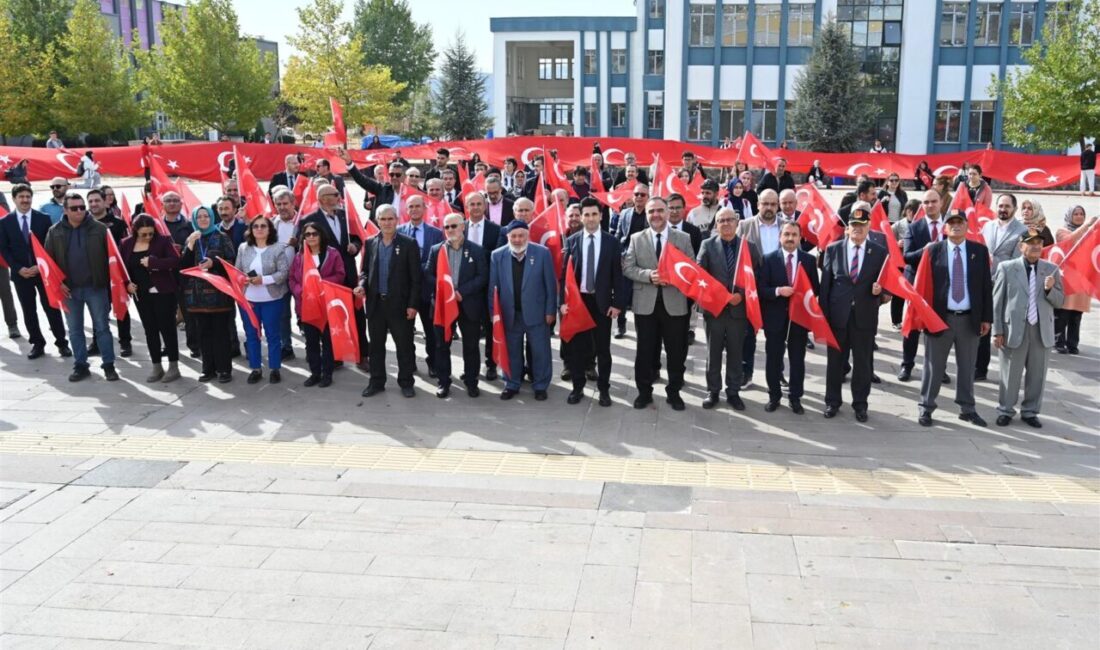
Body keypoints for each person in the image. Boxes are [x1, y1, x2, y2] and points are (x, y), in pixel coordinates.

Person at [916, 209, 994, 428]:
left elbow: (986, 287)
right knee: (934, 367)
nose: (956, 226)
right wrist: (924, 318)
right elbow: (922, 286)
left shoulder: (979, 251)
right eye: (952, 222)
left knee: (967, 366)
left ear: (967, 226)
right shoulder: (933, 252)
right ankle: (926, 406)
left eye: (960, 222)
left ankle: (967, 408)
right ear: (945, 227)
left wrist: (986, 317)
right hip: (940, 319)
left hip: (969, 319)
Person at [623, 197, 694, 411]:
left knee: (676, 352)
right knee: (644, 351)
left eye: (660, 210)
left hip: (675, 304)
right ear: (646, 214)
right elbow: (628, 267)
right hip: (646, 305)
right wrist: (648, 275)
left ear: (668, 212)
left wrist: (672, 275)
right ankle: (644, 392)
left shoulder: (682, 238)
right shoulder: (636, 238)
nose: (656, 215)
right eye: (651, 211)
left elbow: (691, 267)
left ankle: (674, 393)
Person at [819, 210, 889, 422]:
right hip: (838, 316)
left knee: (862, 363)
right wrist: (824, 317)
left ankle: (860, 404)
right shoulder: (833, 249)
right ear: (847, 227)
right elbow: (826, 286)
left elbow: (887, 284)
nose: (857, 228)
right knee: (834, 362)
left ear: (868, 227)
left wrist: (881, 291)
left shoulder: (879, 252)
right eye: (854, 224)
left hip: (864, 316)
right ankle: (832, 401)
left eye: (862, 224)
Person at [993, 232, 1064, 428]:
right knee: (1010, 374)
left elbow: (1060, 301)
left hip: (1041, 331)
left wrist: (1051, 289)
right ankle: (1005, 409)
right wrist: (997, 330)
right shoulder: (1007, 268)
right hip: (1014, 329)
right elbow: (997, 302)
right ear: (1020, 246)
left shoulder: (1051, 269)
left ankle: (1030, 411)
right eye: (1030, 243)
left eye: (1039, 243)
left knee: (1037, 375)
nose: (1035, 246)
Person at [44, 193, 117, 382]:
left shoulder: (100, 229)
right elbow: (48, 261)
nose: (80, 211)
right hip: (69, 291)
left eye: (82, 207)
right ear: (65, 210)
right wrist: (58, 283)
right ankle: (81, 365)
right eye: (74, 208)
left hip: (95, 288)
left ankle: (109, 365)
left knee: (102, 328)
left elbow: (112, 259)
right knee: (75, 330)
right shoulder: (55, 231)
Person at [561, 197, 625, 407]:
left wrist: (617, 304)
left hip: (602, 304)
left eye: (593, 214)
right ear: (581, 216)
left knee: (603, 350)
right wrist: (563, 301)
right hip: (579, 304)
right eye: (586, 214)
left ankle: (604, 390)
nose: (589, 218)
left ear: (601, 216)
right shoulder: (572, 241)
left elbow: (618, 275)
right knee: (578, 350)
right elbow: (565, 275)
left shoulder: (612, 242)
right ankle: (578, 388)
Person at [297, 183, 367, 370]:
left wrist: (355, 246)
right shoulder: (309, 220)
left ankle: (362, 355)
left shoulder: (344, 215)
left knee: (357, 313)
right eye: (335, 194)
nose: (339, 197)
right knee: (330, 318)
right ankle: (334, 356)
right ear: (322, 199)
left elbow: (357, 237)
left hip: (349, 274)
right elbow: (302, 250)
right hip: (325, 277)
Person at [488, 220, 557, 401]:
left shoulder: (542, 253)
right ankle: (511, 384)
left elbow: (550, 285)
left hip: (537, 314)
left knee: (540, 351)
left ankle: (540, 385)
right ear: (508, 237)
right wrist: (493, 314)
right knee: (511, 352)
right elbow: (493, 288)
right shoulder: (497, 255)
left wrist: (551, 310)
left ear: (528, 236)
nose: (518, 240)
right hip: (509, 314)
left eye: (521, 236)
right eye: (514, 236)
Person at [0, 184, 70, 359]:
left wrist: (41, 266)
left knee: (51, 308)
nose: (25, 200)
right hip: (21, 275)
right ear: (14, 199)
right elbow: (4, 249)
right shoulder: (5, 222)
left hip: (43, 273)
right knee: (29, 310)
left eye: (27, 196)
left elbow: (50, 246)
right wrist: (18, 268)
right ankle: (37, 344)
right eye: (21, 197)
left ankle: (62, 342)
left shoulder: (43, 219)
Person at [357, 205, 421, 398]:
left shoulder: (409, 244)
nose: (387, 223)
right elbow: (365, 271)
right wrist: (362, 285)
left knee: (404, 346)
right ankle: (376, 382)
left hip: (400, 306)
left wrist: (412, 305)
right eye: (383, 219)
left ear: (397, 220)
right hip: (376, 305)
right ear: (377, 221)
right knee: (376, 347)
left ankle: (406, 382)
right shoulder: (370, 242)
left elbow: (416, 278)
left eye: (390, 219)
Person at [696, 207, 756, 410]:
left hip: (738, 311)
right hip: (715, 310)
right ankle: (713, 391)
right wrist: (721, 296)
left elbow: (755, 276)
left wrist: (739, 294)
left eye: (730, 219)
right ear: (716, 225)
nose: (726, 224)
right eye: (721, 221)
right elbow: (699, 275)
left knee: (735, 352)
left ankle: (733, 391)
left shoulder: (748, 247)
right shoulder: (707, 245)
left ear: (737, 222)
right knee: (712, 353)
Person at [427, 213, 488, 398]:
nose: (450, 230)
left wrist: (463, 291)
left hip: (467, 305)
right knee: (442, 345)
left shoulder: (476, 250)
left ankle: (471, 382)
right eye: (447, 227)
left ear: (463, 227)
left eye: (454, 226)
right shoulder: (436, 250)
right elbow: (428, 275)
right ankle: (443, 382)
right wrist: (445, 291)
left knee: (470, 346)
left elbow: (482, 276)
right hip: (443, 306)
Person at [760, 221, 818, 414]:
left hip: (799, 319)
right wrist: (778, 291)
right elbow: (761, 289)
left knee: (797, 359)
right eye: (787, 234)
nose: (790, 238)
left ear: (800, 237)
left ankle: (795, 397)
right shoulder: (768, 259)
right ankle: (774, 396)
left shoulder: (808, 261)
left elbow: (814, 289)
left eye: (794, 234)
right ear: (780, 237)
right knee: (773, 358)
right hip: (775, 318)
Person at [120, 215, 181, 383]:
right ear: (135, 231)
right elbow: (122, 267)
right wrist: (127, 284)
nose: (148, 237)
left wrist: (154, 262)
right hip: (141, 294)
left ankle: (173, 366)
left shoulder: (162, 241)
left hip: (162, 292)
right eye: (144, 234)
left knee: (166, 328)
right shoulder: (126, 244)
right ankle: (156, 365)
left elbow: (175, 261)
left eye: (150, 234)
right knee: (150, 329)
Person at [180, 206, 237, 383]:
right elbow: (183, 266)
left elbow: (232, 262)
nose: (203, 219)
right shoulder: (193, 238)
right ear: (194, 219)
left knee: (220, 333)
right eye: (199, 217)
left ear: (212, 218)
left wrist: (214, 263)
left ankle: (224, 369)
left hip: (219, 295)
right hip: (196, 296)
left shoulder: (221, 237)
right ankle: (208, 369)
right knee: (203, 333)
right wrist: (189, 245)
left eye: (206, 216)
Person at [898, 190, 949, 382]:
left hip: (942, 285)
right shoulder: (914, 227)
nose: (930, 205)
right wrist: (925, 250)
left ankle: (939, 368)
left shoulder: (950, 225)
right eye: (926, 202)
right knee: (912, 327)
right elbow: (907, 256)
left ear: (941, 202)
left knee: (938, 328)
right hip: (917, 284)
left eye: (933, 201)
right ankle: (907, 366)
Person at [737, 188, 786, 388]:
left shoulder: (787, 226)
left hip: (776, 290)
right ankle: (745, 373)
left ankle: (777, 373)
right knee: (748, 335)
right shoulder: (744, 225)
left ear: (778, 206)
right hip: (751, 290)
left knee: (776, 338)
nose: (769, 208)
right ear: (758, 204)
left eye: (773, 204)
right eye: (765, 203)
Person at [288, 223, 345, 387]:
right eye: (307, 235)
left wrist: (321, 284)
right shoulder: (300, 256)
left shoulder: (332, 254)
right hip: (306, 307)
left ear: (321, 235)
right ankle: (315, 373)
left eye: (314, 234)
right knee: (311, 342)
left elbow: (340, 274)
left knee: (328, 342)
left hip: (326, 306)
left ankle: (327, 374)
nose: (311, 237)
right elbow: (292, 279)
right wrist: (301, 291)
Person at [235, 216, 291, 385]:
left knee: (273, 334)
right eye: (256, 226)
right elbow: (236, 270)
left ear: (269, 229)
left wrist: (264, 280)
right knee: (251, 334)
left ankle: (275, 368)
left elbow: (283, 273)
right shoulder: (243, 248)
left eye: (263, 226)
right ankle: (255, 368)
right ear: (251, 230)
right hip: (248, 300)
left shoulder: (277, 249)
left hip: (271, 299)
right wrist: (243, 279)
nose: (259, 229)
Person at [397, 195, 444, 377]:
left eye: (418, 206)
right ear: (406, 210)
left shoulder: (436, 233)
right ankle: (410, 363)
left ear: (424, 208)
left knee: (431, 331)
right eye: (411, 207)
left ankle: (433, 363)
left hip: (427, 291)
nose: (415, 210)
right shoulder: (399, 232)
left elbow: (438, 262)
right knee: (406, 332)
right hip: (405, 292)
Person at [461, 192, 504, 379]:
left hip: (487, 287)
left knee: (489, 328)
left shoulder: (496, 230)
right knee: (469, 333)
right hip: (466, 289)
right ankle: (470, 368)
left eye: (480, 204)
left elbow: (496, 258)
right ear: (467, 206)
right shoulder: (458, 227)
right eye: (472, 204)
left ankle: (491, 364)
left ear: (485, 206)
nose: (476, 207)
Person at [86, 188, 133, 358]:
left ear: (105, 201)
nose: (93, 204)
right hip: (94, 276)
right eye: (90, 201)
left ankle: (125, 342)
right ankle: (97, 342)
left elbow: (127, 250)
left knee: (121, 310)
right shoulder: (84, 224)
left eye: (97, 200)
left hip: (116, 275)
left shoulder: (119, 224)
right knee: (97, 312)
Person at [1054, 206, 1095, 354]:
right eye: (1076, 214)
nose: (1078, 216)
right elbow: (1069, 240)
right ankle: (1058, 342)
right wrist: (1087, 226)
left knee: (1076, 315)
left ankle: (1072, 344)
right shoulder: (1061, 231)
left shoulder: (1091, 233)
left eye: (1081, 214)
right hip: (1067, 279)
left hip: (1083, 279)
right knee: (1063, 313)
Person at [341, 148, 403, 220]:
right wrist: (349, 163)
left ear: (404, 175)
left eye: (398, 174)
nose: (394, 177)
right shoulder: (382, 189)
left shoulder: (411, 192)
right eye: (392, 174)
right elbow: (362, 180)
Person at [890, 199, 922, 328]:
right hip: (900, 263)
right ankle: (896, 320)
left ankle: (916, 319)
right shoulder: (898, 225)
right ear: (909, 211)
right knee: (898, 294)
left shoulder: (921, 225)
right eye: (917, 211)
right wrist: (897, 244)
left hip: (915, 263)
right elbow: (888, 241)